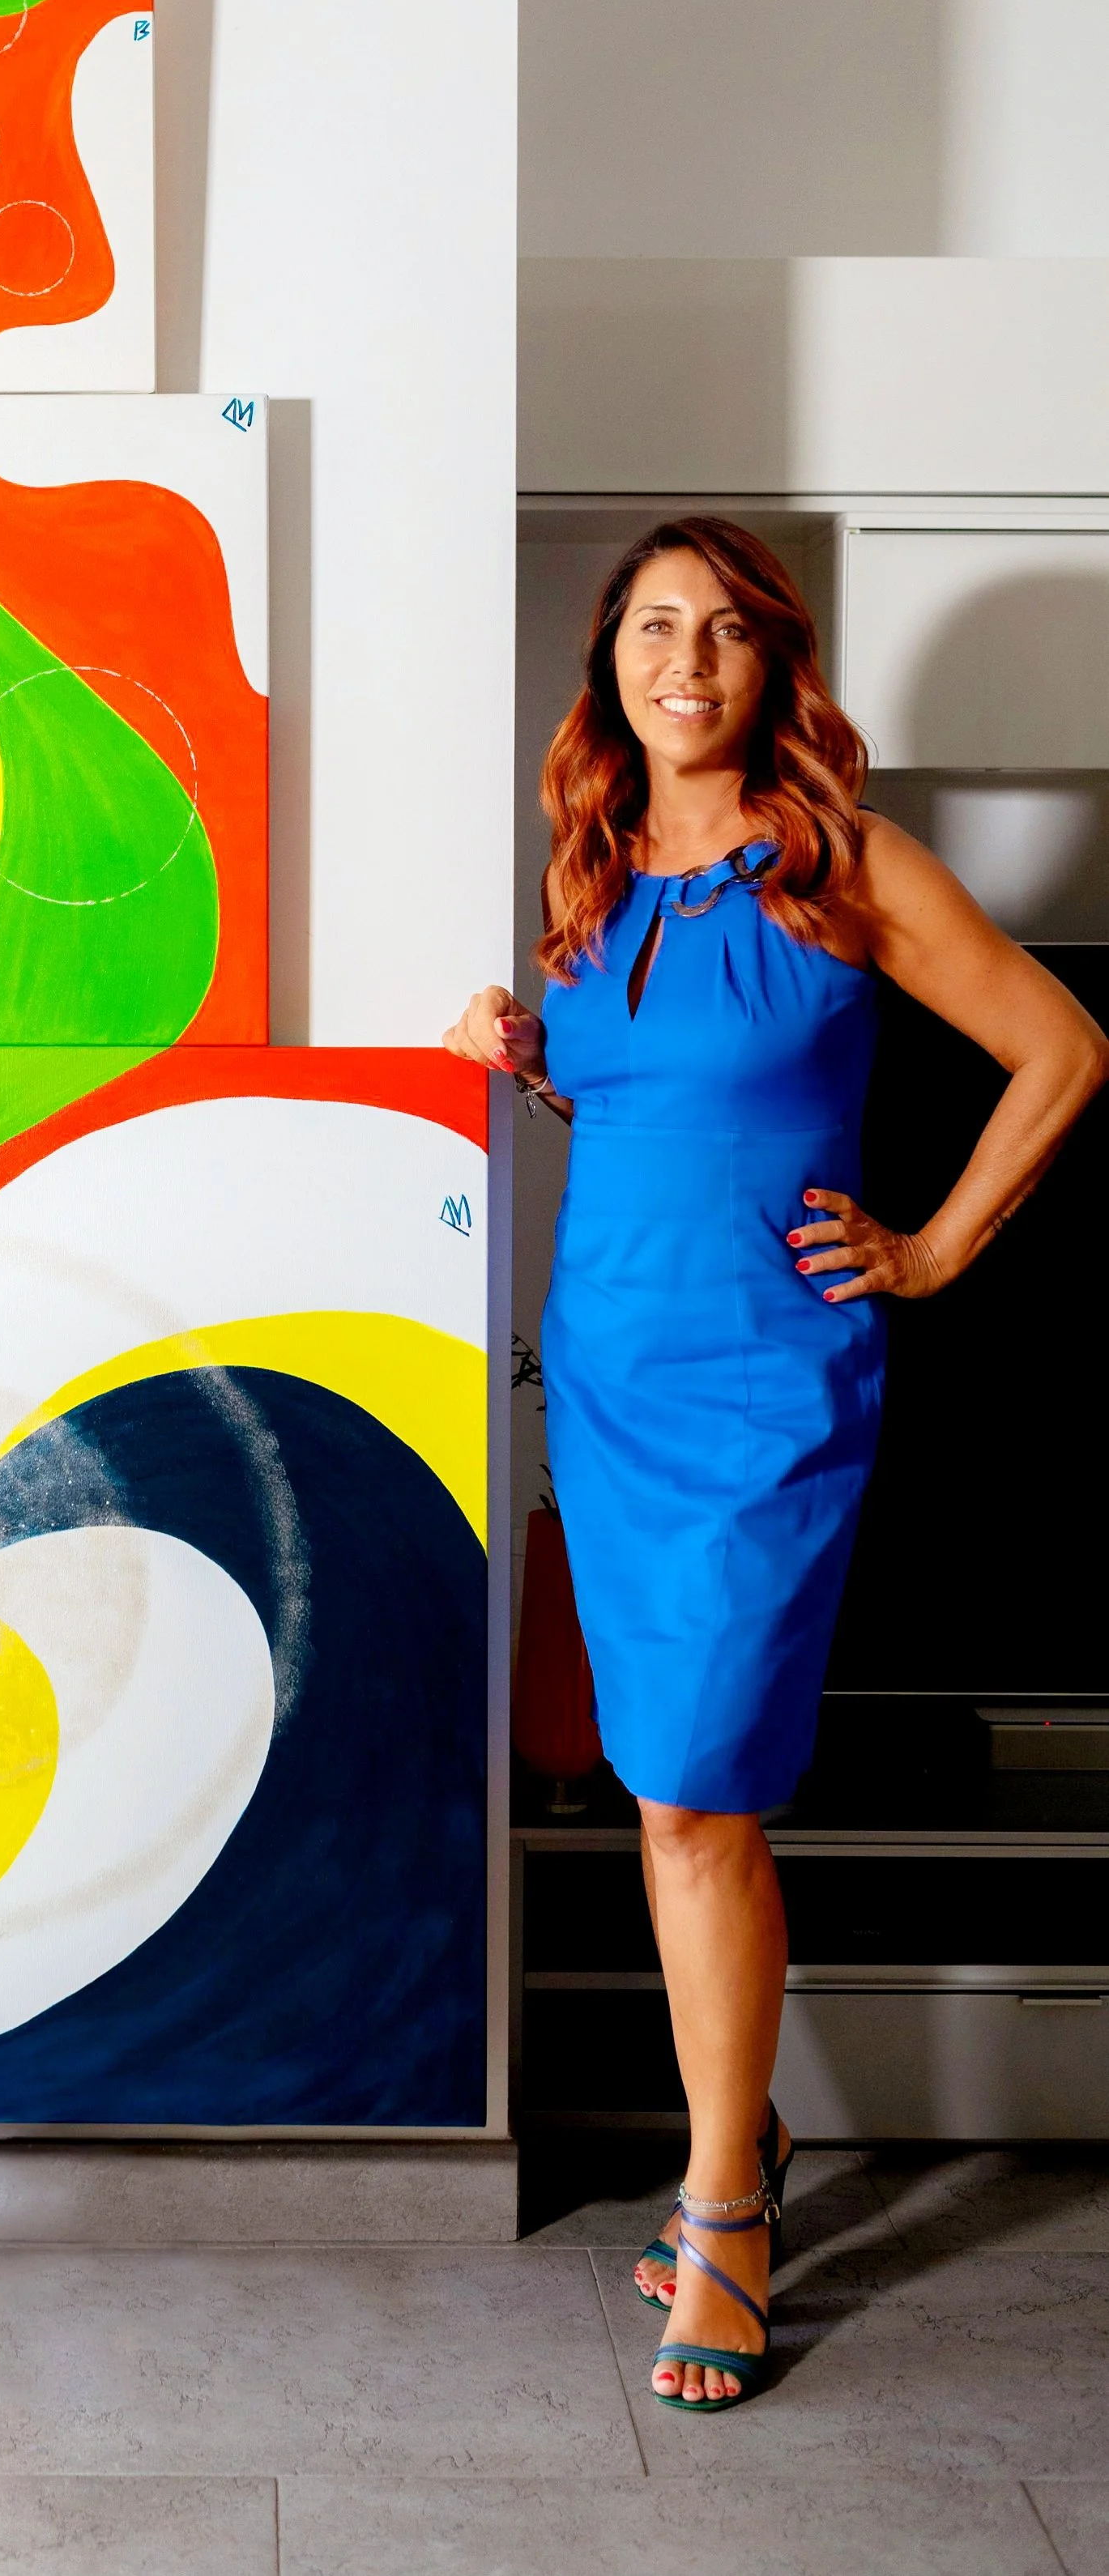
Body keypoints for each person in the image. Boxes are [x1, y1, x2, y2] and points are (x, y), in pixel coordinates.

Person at [446, 516, 1107, 2411]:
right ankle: (743, 2141)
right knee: (661, 1790)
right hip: (604, 1373)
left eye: (724, 629)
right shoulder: (585, 873)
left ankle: (725, 2205)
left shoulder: (844, 863)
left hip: (762, 1392)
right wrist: (515, 1051)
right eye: (654, 626)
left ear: (771, 664)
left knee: (693, 1791)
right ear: (610, 665)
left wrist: (933, 1250)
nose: (687, 659)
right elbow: (643, 1100)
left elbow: (1060, 1047)